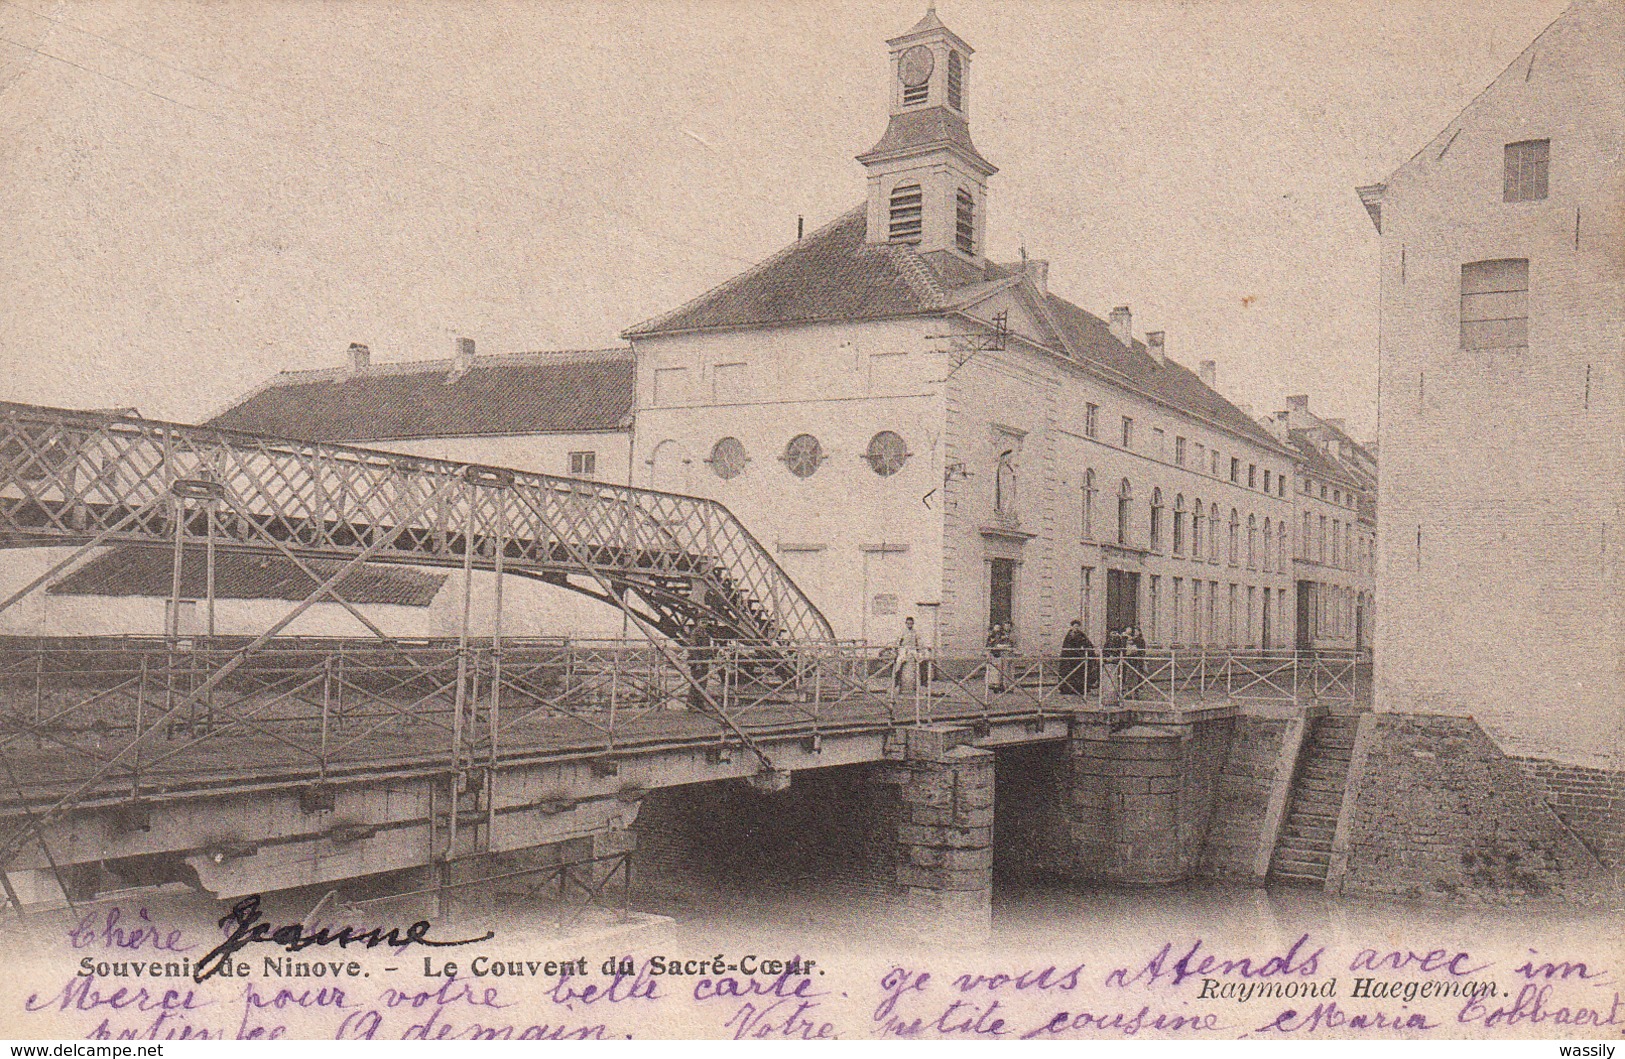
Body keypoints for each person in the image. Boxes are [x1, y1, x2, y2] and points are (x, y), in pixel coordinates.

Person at [1060, 619, 1095, 697]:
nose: (1076, 628)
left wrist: (1088, 651)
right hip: (1069, 658)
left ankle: (1080, 689)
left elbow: (1088, 643)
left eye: (1078, 626)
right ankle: (1068, 689)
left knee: (1080, 673)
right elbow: (1067, 647)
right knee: (1069, 673)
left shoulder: (1081, 634)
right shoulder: (1069, 635)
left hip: (1079, 657)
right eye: (1075, 626)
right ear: (1072, 627)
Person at [894, 616, 923, 694]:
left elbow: (918, 642)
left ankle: (923, 680)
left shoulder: (915, 632)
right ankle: (896, 678)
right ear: (906, 624)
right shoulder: (903, 632)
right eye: (908, 623)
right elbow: (898, 641)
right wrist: (897, 649)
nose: (909, 625)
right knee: (899, 660)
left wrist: (919, 650)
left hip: (913, 649)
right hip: (904, 648)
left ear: (913, 624)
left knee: (920, 660)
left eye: (911, 623)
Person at [1124, 625, 1147, 700]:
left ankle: (1134, 694)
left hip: (1136, 660)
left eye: (1136, 631)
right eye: (1135, 631)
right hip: (1132, 660)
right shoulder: (1134, 639)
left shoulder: (1139, 640)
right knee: (1131, 677)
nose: (1135, 633)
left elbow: (1139, 650)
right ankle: (1131, 693)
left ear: (1139, 632)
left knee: (1135, 677)